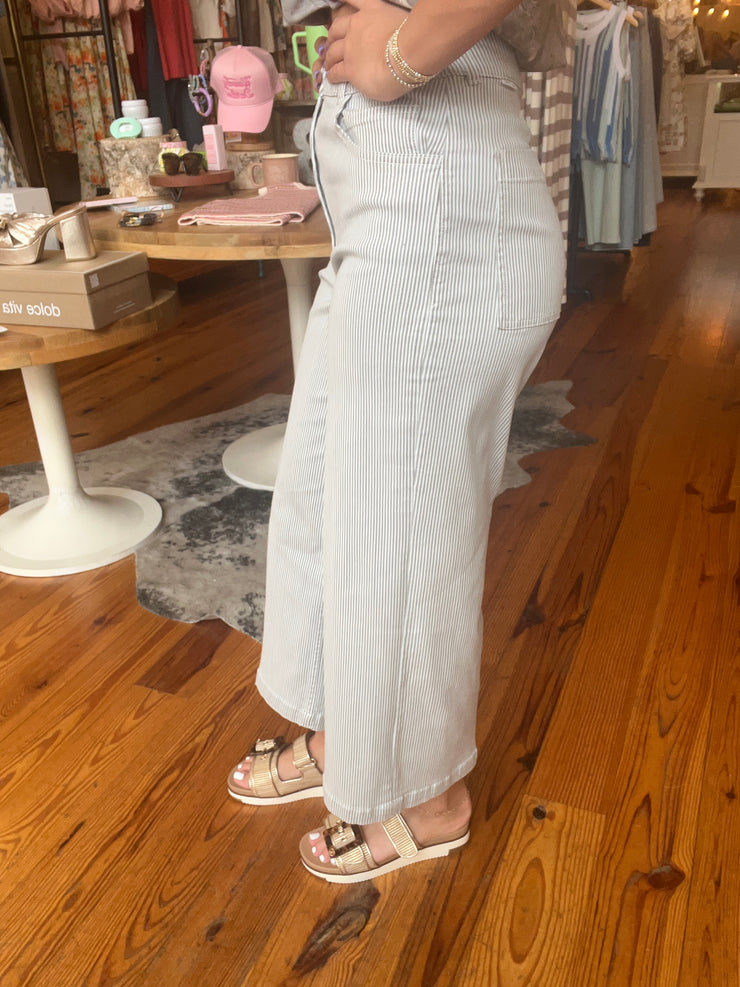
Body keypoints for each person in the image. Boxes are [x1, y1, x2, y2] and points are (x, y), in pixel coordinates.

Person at [227, 0, 566, 884]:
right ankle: (349, 735)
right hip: (386, 201)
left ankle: (429, 795)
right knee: (325, 490)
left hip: (440, 206)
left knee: (401, 533)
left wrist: (402, 52)